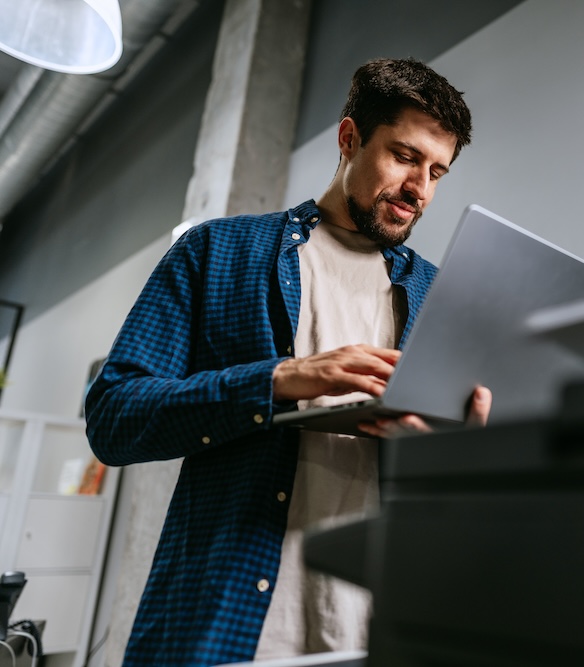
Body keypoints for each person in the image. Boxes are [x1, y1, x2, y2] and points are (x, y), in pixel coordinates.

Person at [86, 58, 491, 667]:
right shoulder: (216, 252)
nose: (420, 190)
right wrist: (278, 381)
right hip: (223, 628)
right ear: (349, 138)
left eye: (437, 171)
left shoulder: (441, 297)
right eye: (405, 157)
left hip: (377, 630)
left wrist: (461, 448)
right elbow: (114, 416)